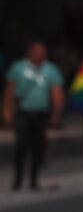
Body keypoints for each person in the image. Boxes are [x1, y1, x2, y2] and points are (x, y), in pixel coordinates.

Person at [4, 40, 65, 191]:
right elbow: (10, 92)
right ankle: (18, 180)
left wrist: (56, 113)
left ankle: (33, 180)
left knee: (38, 148)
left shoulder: (51, 70)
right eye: (37, 51)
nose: (40, 55)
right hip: (23, 111)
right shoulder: (18, 68)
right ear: (29, 53)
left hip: (41, 113)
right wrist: (7, 112)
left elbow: (56, 92)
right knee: (21, 145)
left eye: (42, 52)